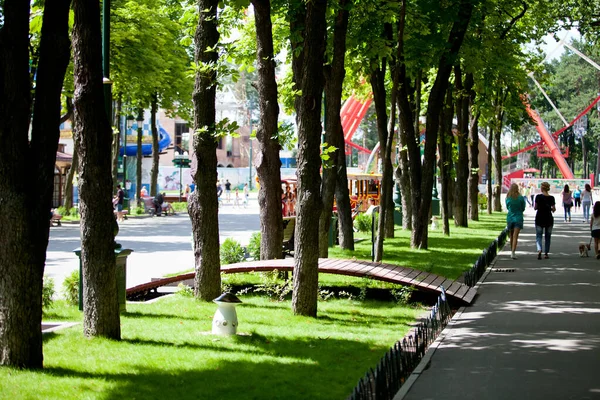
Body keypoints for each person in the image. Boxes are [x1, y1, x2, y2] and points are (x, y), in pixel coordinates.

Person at [534, 181, 556, 260]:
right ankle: (546, 253)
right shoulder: (551, 198)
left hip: (539, 218)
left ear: (542, 188)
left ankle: (539, 249)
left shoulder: (538, 197)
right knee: (548, 236)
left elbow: (535, 207)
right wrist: (550, 209)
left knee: (539, 236)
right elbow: (554, 209)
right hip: (549, 219)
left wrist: (539, 207)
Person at [506, 183, 526, 259]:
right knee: (515, 236)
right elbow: (523, 208)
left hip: (510, 218)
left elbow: (508, 207)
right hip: (518, 218)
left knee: (511, 235)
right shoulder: (520, 198)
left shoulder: (508, 198)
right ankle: (513, 252)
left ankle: (512, 251)